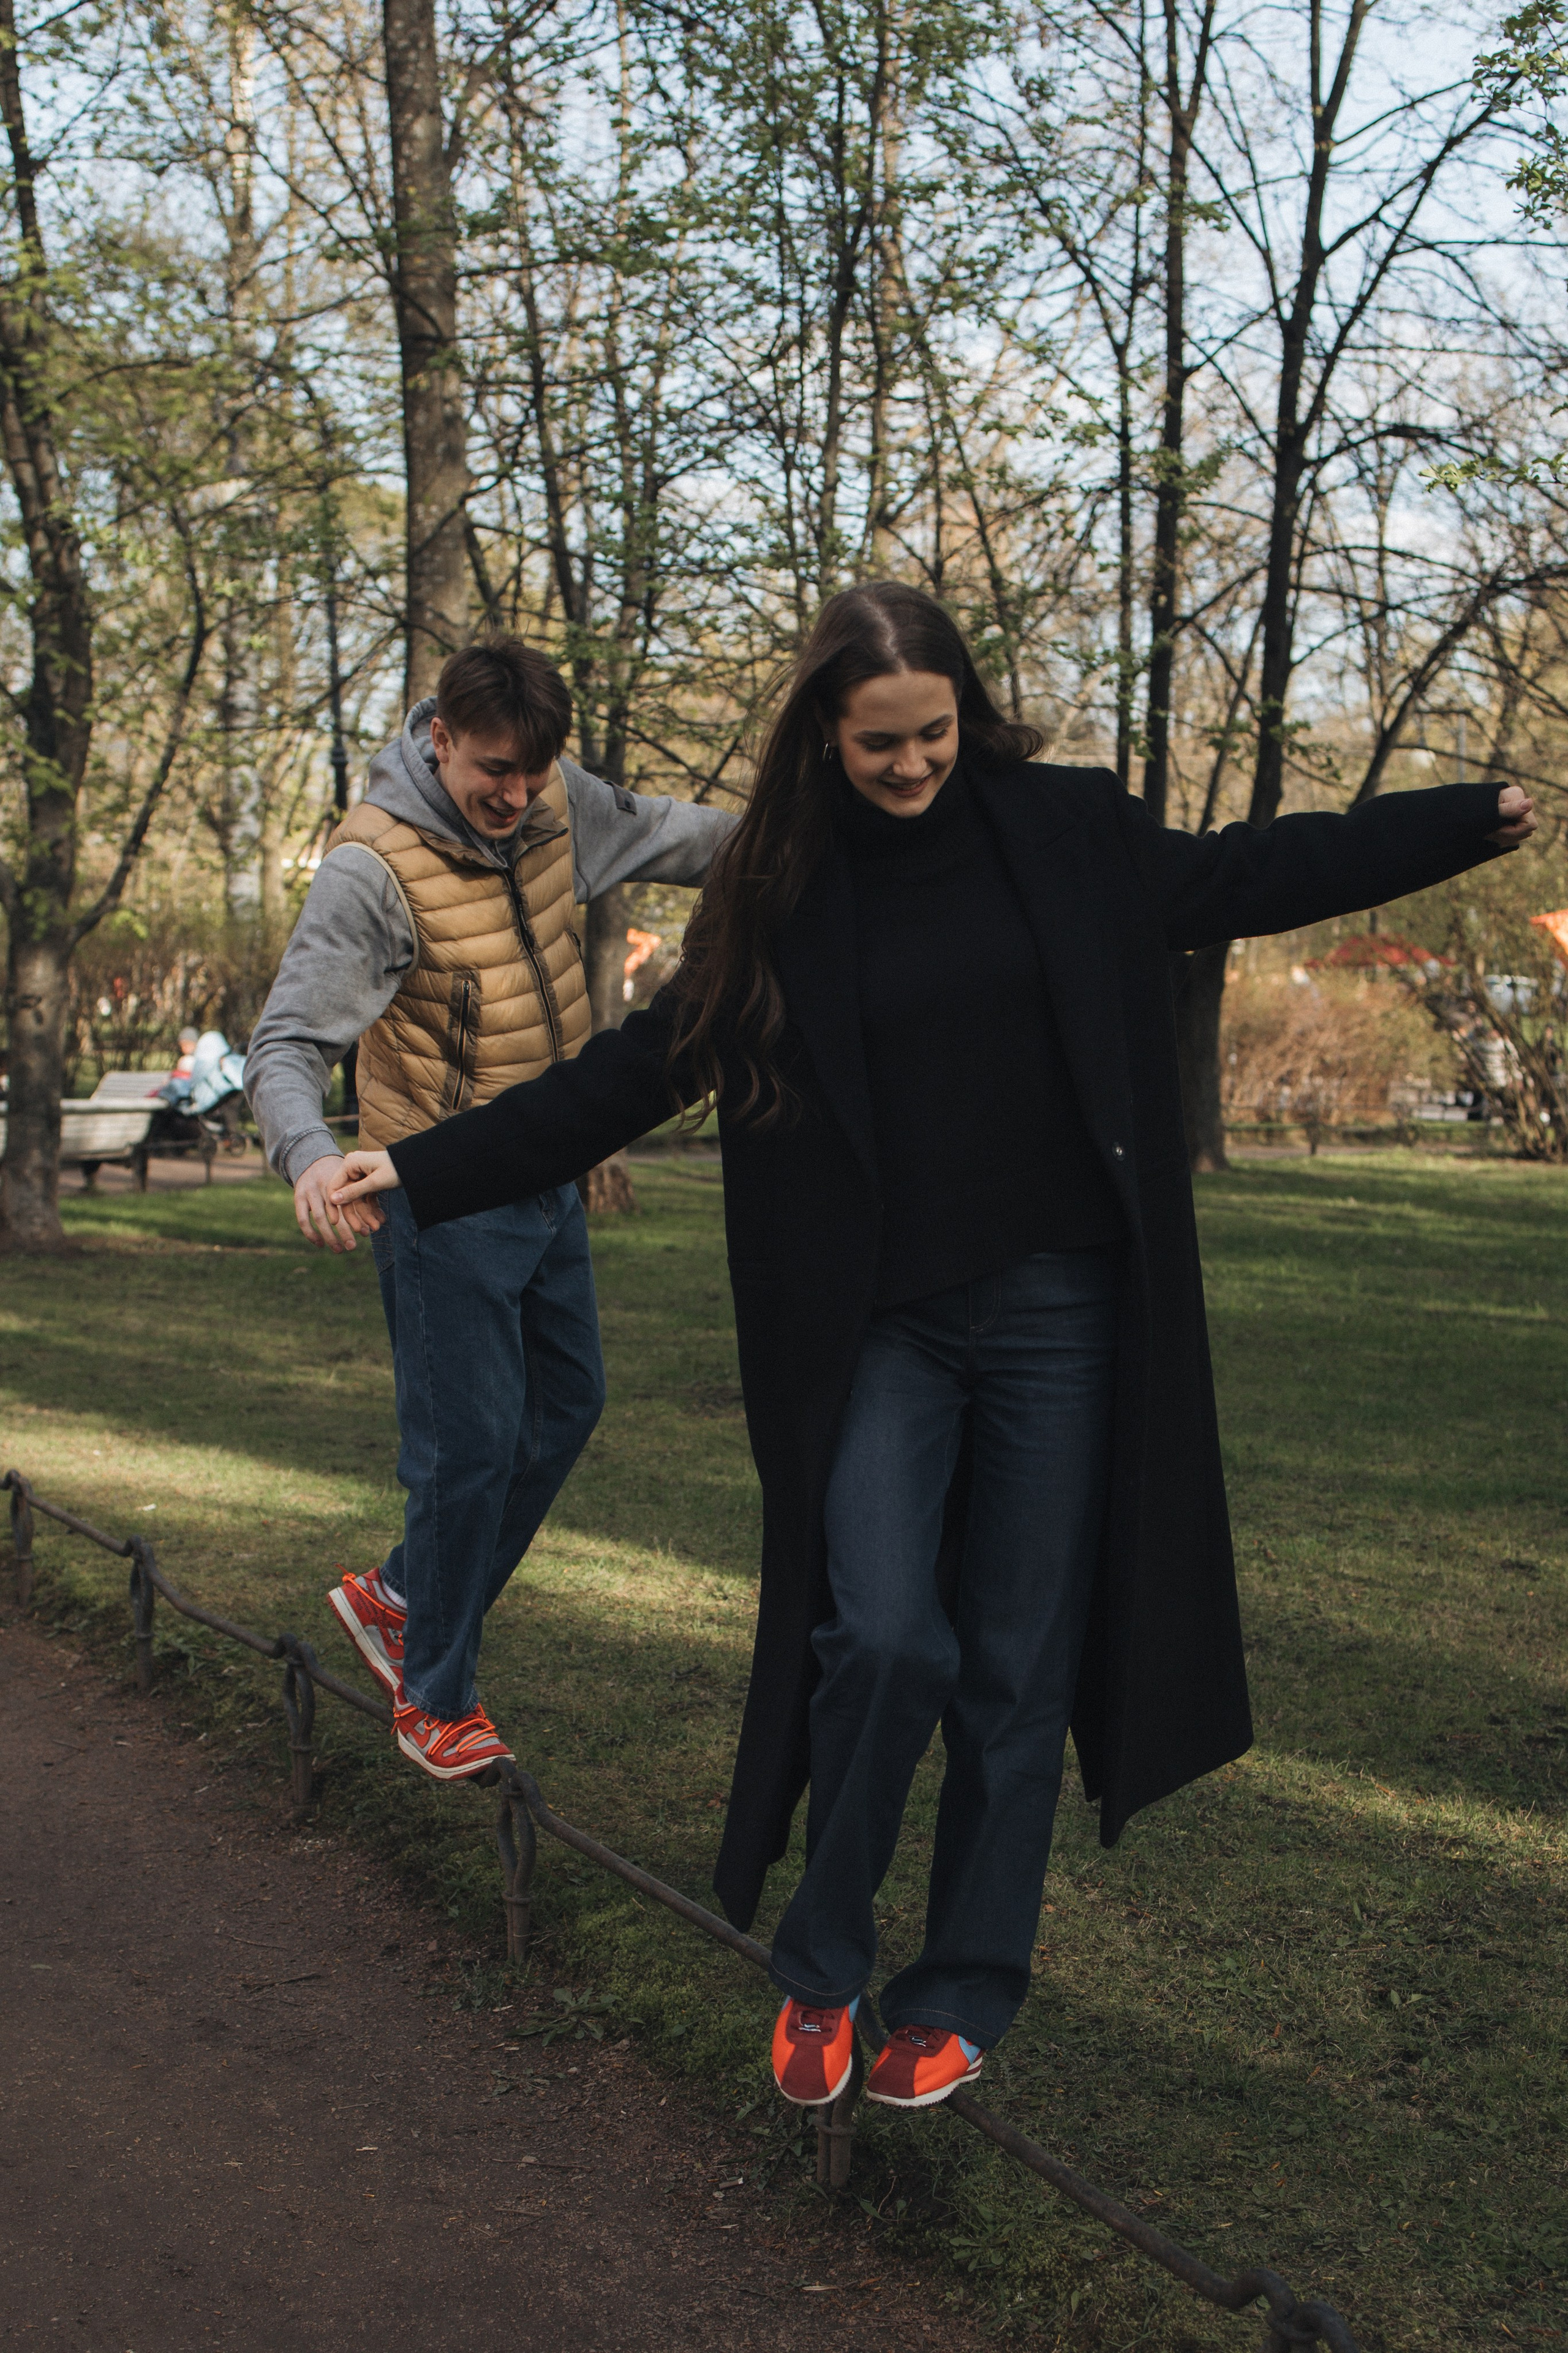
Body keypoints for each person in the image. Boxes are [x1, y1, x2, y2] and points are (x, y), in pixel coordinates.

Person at [328, 584, 1535, 2110]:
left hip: (1059, 1320)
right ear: (824, 738)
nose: (911, 767)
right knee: (884, 1633)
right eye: (878, 743)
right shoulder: (783, 886)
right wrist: (426, 1166)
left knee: (1012, 1675)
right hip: (880, 1327)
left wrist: (1448, 822)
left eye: (934, 734)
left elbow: (1249, 869)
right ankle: (822, 1961)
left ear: (965, 713)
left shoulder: (1064, 831)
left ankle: (960, 1990)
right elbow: (639, 1068)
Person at [246, 636, 736, 1781]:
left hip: (544, 1168)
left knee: (567, 1406)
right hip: (435, 1188)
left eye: (532, 769)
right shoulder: (373, 867)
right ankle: (436, 1696)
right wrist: (310, 1157)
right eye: (491, 769)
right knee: (466, 1449)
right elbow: (286, 1043)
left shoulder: (561, 802)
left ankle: (403, 1590)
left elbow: (689, 836)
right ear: (440, 738)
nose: (513, 794)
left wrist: (817, 837)